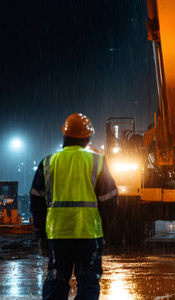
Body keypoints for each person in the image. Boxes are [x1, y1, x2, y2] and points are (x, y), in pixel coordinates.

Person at [30, 113, 118, 300]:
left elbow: (36, 202)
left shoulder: (48, 162)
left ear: (65, 136)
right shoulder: (97, 161)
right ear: (87, 138)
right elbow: (110, 201)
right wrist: (105, 230)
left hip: (58, 234)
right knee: (88, 283)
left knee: (56, 282)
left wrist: (41, 235)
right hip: (88, 234)